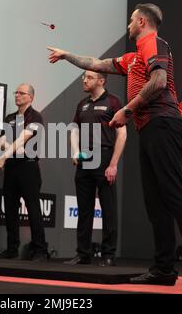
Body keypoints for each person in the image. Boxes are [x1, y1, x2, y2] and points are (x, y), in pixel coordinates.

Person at [47, 3, 182, 291]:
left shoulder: (153, 42)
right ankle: (163, 269)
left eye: (130, 21)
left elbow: (159, 81)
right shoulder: (133, 57)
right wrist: (66, 56)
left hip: (164, 121)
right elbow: (95, 63)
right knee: (154, 200)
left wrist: (127, 109)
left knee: (172, 192)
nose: (127, 26)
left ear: (140, 21)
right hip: (148, 127)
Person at [64, 70, 127, 267]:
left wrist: (114, 164)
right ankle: (83, 253)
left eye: (89, 77)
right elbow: (74, 129)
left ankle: (108, 254)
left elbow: (122, 134)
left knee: (108, 209)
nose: (84, 79)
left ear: (101, 80)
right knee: (84, 209)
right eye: (83, 76)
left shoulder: (114, 102)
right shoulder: (81, 104)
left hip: (105, 157)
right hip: (84, 160)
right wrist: (75, 152)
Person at [0, 83, 49, 262]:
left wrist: (3, 157)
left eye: (21, 93)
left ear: (30, 97)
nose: (17, 95)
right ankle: (11, 249)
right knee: (10, 209)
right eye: (16, 92)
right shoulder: (9, 118)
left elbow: (24, 139)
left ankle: (39, 250)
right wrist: (14, 150)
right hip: (12, 168)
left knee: (33, 209)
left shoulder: (35, 117)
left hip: (28, 168)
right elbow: (2, 141)